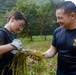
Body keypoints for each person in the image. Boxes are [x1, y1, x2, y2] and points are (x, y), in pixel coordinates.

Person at [31, 1, 76, 75]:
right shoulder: (58, 31)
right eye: (57, 18)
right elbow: (52, 51)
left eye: (60, 18)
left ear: (72, 16)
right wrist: (40, 55)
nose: (58, 21)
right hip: (60, 72)